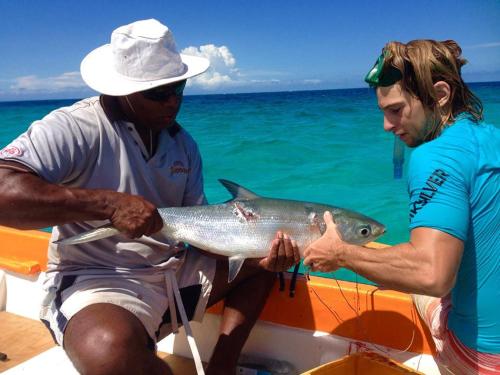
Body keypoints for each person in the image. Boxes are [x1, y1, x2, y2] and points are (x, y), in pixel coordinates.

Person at [0, 19, 299, 375]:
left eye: (179, 88)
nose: (173, 102)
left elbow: (198, 234)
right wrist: (106, 204)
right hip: (97, 279)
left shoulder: (182, 144)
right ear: (122, 89)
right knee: (110, 354)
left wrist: (258, 246)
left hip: (173, 273)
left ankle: (222, 367)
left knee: (262, 267)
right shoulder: (73, 128)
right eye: (159, 93)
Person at [303, 39, 499, 374]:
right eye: (383, 113)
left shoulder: (435, 156)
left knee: (421, 291)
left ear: (439, 95)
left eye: (396, 110)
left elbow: (430, 273)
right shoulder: (490, 137)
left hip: (482, 358)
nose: (387, 126)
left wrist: (342, 254)